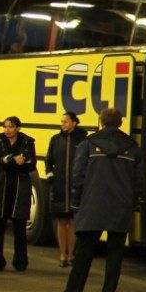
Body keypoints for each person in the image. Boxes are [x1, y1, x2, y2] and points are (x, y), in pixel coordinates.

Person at [55, 107, 141, 292]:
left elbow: (78, 175)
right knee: (115, 254)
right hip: (120, 206)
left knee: (84, 251)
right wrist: (133, 202)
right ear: (120, 123)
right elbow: (139, 180)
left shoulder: (88, 143)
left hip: (93, 204)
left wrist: (76, 202)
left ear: (101, 122)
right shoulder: (133, 146)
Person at [0, 115, 36, 272]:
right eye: (5, 126)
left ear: (18, 128)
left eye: (11, 127)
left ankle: (20, 261)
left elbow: (31, 163)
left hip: (19, 187)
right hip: (1, 187)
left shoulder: (27, 142)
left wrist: (12, 162)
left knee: (19, 225)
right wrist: (12, 159)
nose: (7, 130)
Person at [45, 111, 86, 267]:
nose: (62, 124)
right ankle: (62, 254)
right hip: (60, 187)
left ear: (74, 123)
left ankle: (72, 254)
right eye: (61, 122)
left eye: (65, 122)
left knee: (74, 221)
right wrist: (50, 176)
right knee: (62, 221)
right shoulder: (56, 140)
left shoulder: (83, 140)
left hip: (76, 188)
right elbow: (49, 160)